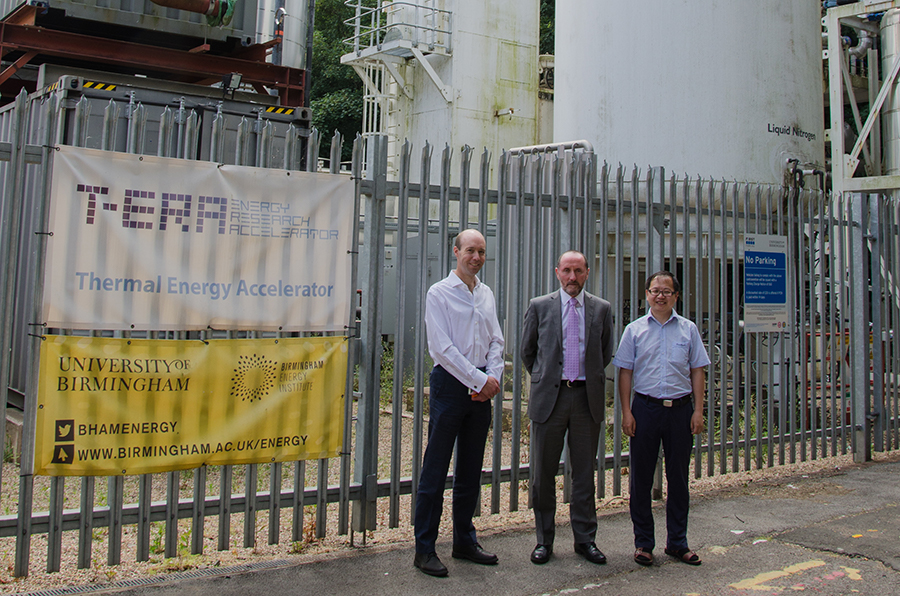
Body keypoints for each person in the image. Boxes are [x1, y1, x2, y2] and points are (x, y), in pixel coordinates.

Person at [413, 228, 505, 577]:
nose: (476, 257)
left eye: (481, 251)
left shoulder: (486, 294)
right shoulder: (439, 293)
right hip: (451, 387)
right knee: (435, 471)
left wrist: (492, 378)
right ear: (456, 252)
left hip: (482, 389)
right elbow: (441, 348)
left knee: (470, 468)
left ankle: (464, 540)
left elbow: (496, 338)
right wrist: (480, 380)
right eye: (470, 250)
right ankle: (424, 549)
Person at [521, 250, 614, 565]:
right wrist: (547, 379)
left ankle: (585, 540)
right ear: (557, 272)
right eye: (567, 271)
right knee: (543, 474)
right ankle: (544, 540)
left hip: (586, 399)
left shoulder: (601, 309)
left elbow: (605, 352)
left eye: (578, 271)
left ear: (587, 272)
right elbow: (527, 352)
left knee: (584, 473)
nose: (572, 277)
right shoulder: (539, 307)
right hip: (551, 398)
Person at [612, 271, 709, 567]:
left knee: (678, 479)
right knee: (640, 479)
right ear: (647, 294)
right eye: (655, 290)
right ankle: (643, 543)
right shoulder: (634, 330)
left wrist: (698, 410)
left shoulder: (688, 330)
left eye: (667, 291)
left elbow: (697, 370)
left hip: (680, 410)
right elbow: (625, 372)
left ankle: (678, 542)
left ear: (676, 296)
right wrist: (626, 412)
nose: (661, 296)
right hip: (645, 409)